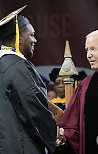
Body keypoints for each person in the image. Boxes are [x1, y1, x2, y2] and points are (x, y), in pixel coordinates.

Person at [0, 6, 56, 154]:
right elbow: (34, 109)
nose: (35, 40)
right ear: (19, 38)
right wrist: (56, 135)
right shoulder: (18, 67)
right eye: (31, 35)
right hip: (22, 147)